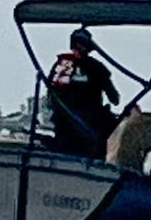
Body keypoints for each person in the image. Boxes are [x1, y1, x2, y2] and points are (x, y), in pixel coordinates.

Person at [48, 27, 120, 157]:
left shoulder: (59, 66)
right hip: (90, 129)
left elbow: (50, 95)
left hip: (63, 128)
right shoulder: (97, 67)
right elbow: (114, 99)